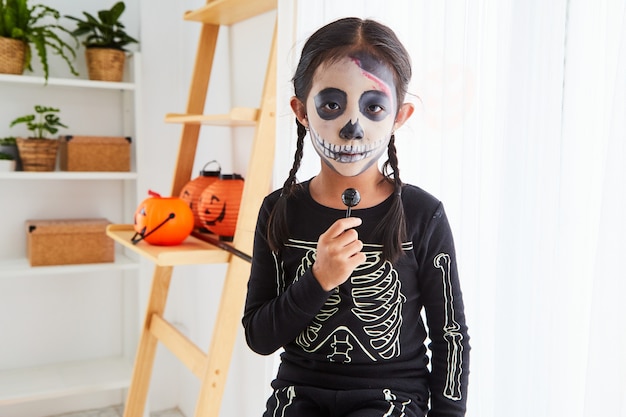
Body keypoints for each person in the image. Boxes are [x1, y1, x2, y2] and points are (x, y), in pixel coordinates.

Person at [242, 17, 470, 417]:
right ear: (300, 111)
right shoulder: (279, 210)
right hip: (300, 394)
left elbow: (449, 334)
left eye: (374, 107)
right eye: (331, 104)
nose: (352, 128)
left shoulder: (423, 215)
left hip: (391, 398)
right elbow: (259, 337)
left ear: (399, 115)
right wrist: (318, 280)